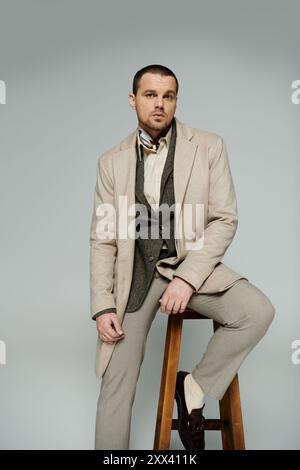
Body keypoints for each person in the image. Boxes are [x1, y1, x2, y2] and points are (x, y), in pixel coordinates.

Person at [89, 64, 275, 450]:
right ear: (133, 99)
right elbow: (103, 238)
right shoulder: (111, 161)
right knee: (116, 382)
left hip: (189, 267)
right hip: (136, 278)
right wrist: (103, 305)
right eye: (150, 95)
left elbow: (224, 219)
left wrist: (187, 277)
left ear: (176, 101)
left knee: (257, 311)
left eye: (168, 96)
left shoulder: (208, 146)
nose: (159, 104)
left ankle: (193, 386)